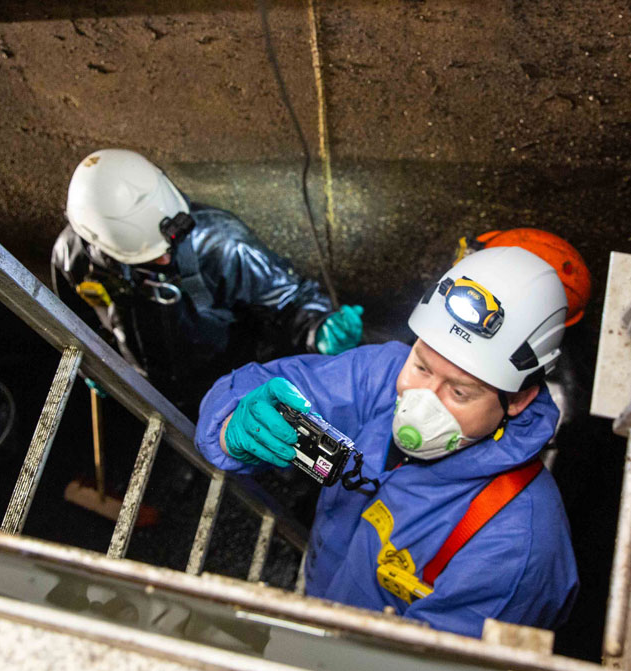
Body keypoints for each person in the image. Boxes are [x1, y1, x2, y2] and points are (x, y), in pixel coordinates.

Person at [193, 246, 578, 638]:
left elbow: (433, 667)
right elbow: (270, 385)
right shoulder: (383, 373)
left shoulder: (514, 548)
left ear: (518, 399)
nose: (421, 401)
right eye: (422, 366)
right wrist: (232, 423)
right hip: (323, 583)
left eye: (459, 392)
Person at [51, 149, 363, 414]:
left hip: (226, 382)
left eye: (168, 246)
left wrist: (317, 327)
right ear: (100, 243)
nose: (164, 260)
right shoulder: (71, 257)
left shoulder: (221, 245)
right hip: (145, 386)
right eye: (148, 255)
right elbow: (75, 321)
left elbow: (288, 300)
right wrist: (97, 362)